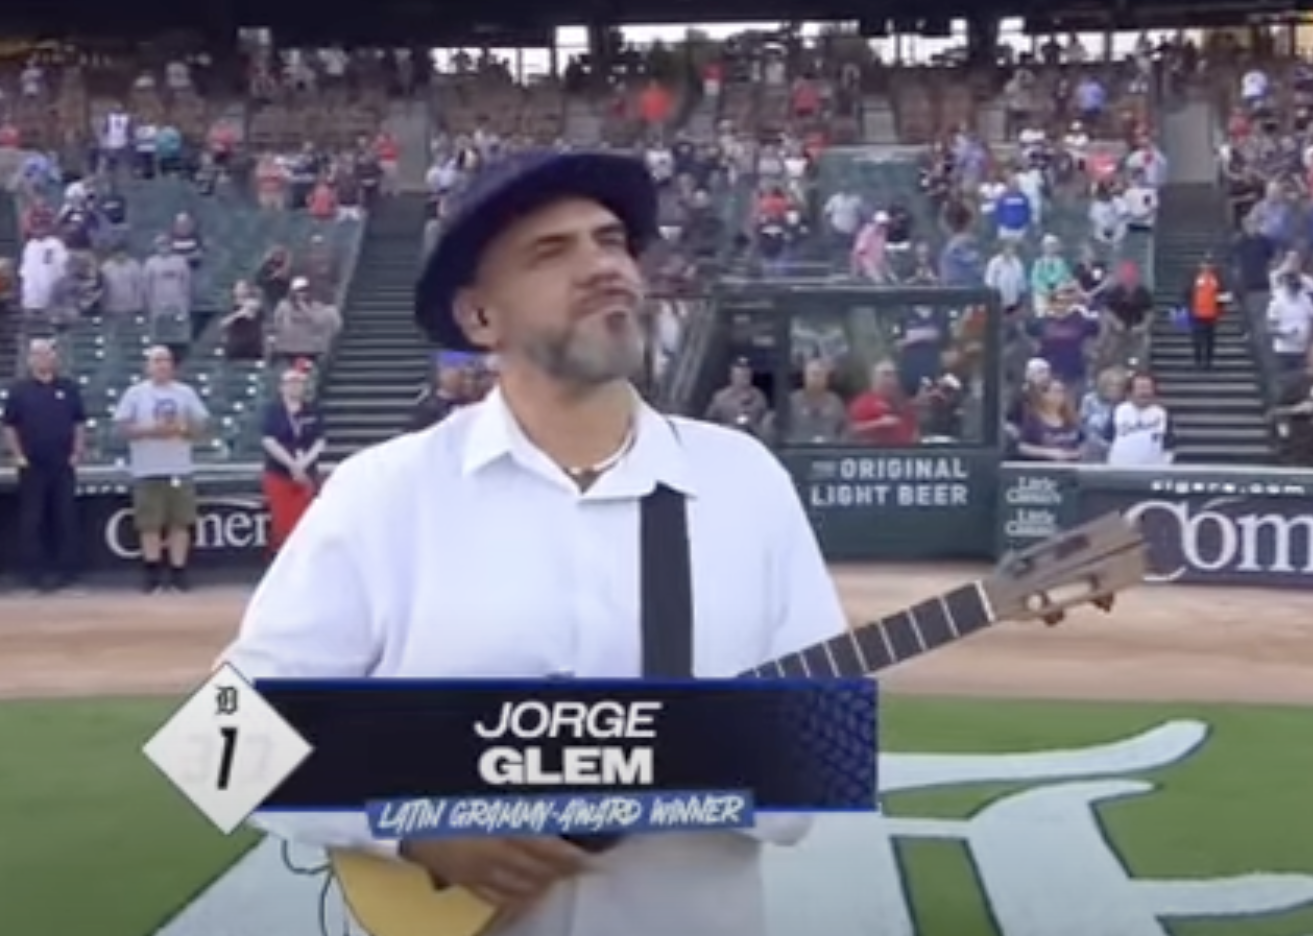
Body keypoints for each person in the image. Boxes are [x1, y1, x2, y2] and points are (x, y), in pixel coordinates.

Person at [217, 150, 846, 936]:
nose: (603, 265)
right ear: (481, 317)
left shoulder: (743, 481)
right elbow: (221, 742)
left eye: (611, 240)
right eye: (552, 252)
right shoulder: (385, 493)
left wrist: (666, 758)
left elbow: (813, 769)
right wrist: (407, 826)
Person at [112, 345, 209, 593]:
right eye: (157, 361)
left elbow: (202, 426)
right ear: (148, 366)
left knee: (180, 522)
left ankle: (178, 572)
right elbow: (121, 428)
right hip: (146, 469)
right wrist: (151, 431)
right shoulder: (135, 394)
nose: (162, 365)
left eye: (166, 360)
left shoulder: (185, 393)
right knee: (149, 524)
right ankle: (152, 572)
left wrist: (183, 430)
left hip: (180, 467)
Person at [2, 339, 87, 593]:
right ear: (30, 360)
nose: (42, 359)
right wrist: (18, 455)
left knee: (65, 519)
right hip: (32, 465)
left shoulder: (69, 388)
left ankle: (67, 576)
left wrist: (77, 451)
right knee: (32, 521)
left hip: (63, 464)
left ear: (54, 358)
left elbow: (79, 422)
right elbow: (9, 426)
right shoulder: (19, 390)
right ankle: (33, 577)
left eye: (46, 354)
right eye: (37, 354)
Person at [259, 364, 324, 557]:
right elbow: (269, 440)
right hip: (279, 474)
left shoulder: (313, 410)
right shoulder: (273, 411)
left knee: (306, 521)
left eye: (300, 382)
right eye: (291, 382)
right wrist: (292, 465)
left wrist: (303, 466)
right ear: (282, 387)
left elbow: (320, 441)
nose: (296, 386)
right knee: (282, 522)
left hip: (307, 475)